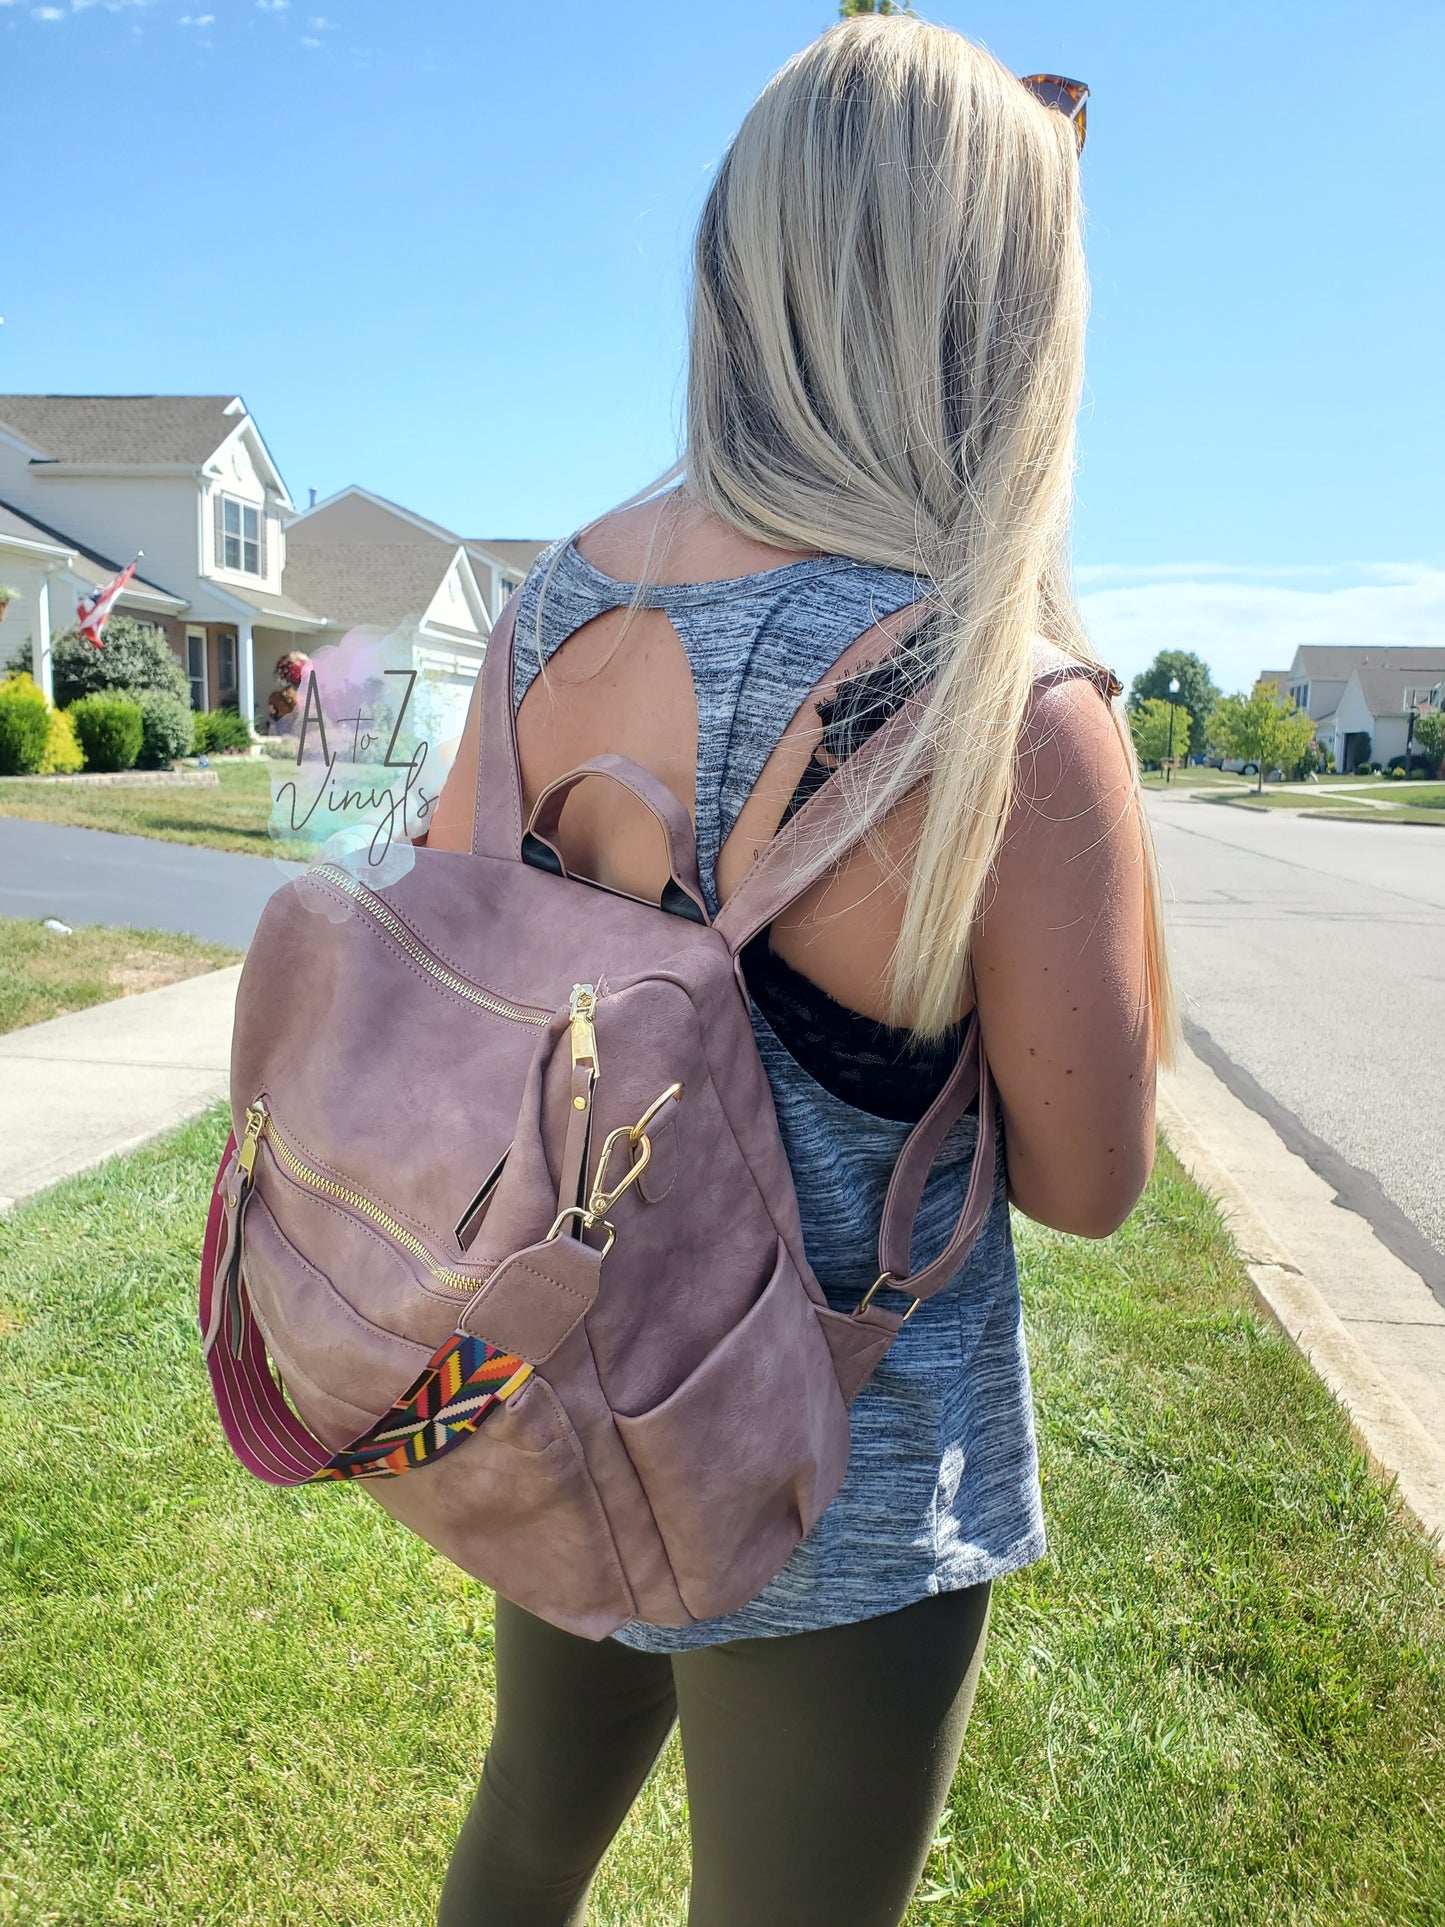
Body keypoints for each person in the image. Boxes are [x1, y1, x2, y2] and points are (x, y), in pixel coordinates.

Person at [425, 17, 1173, 1925]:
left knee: (521, 1840)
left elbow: (458, 1010)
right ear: (1000, 303)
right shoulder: (992, 700)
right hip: (833, 1472)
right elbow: (1091, 1185)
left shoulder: (547, 613)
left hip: (562, 1377)